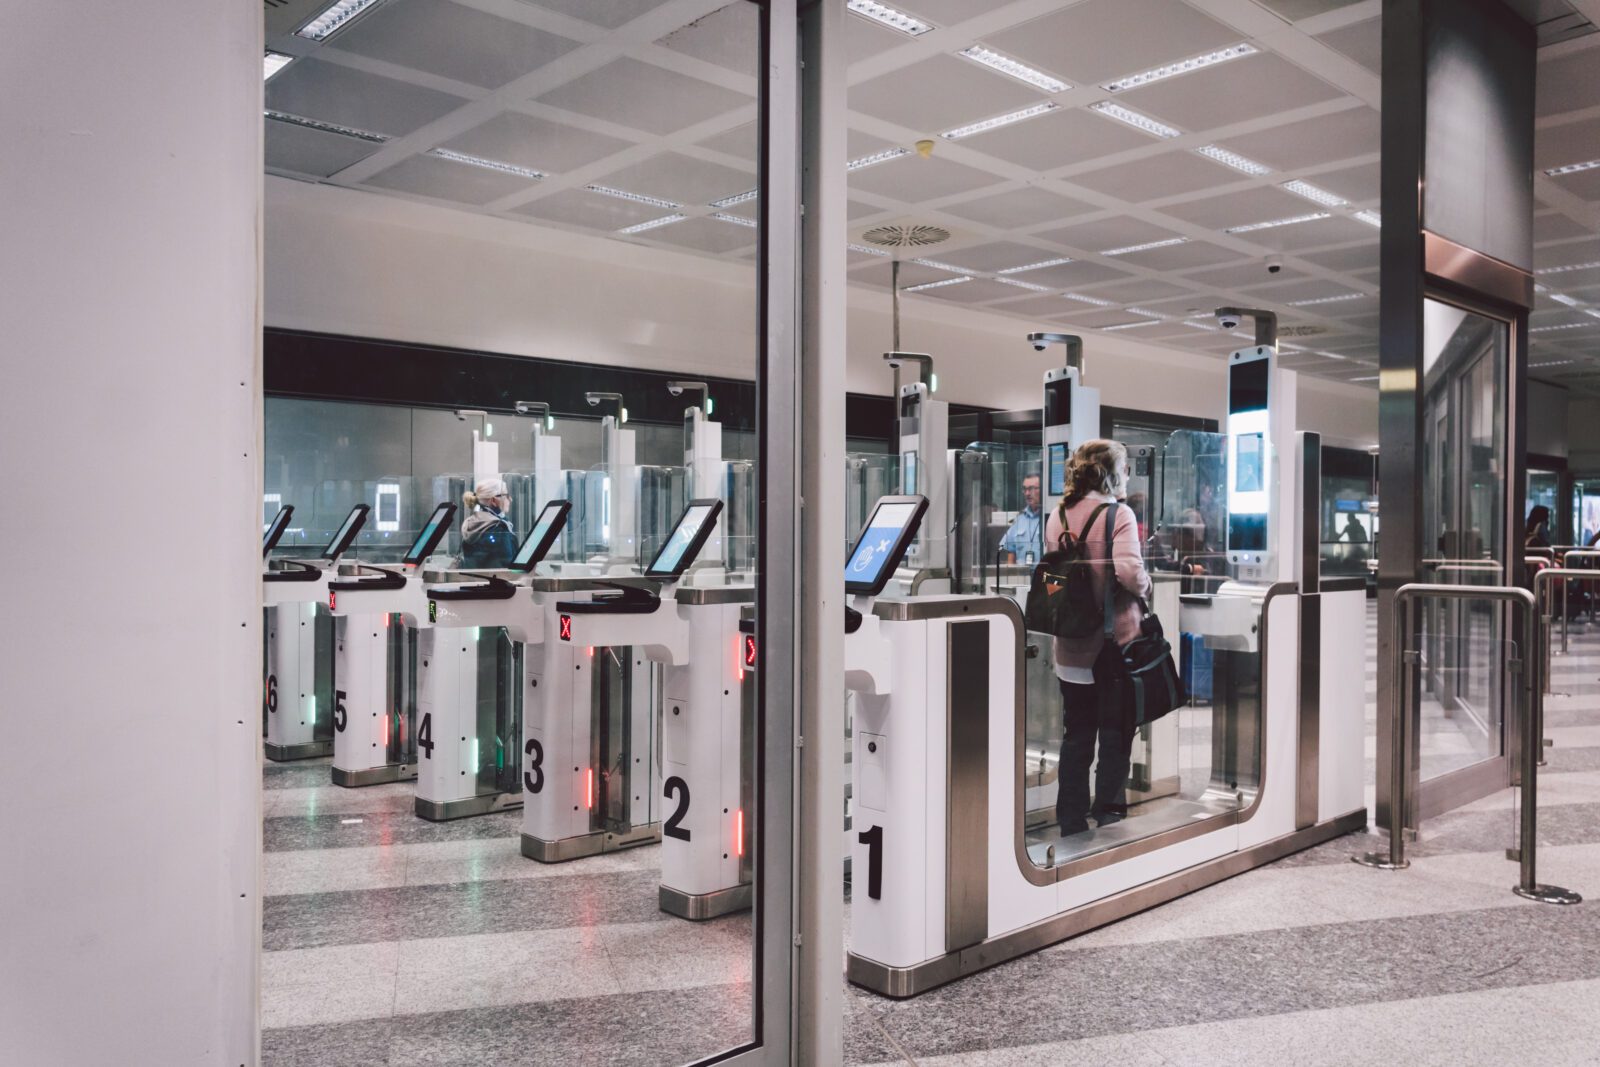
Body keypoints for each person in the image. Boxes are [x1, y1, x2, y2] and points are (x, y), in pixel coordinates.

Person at [1044, 439, 1152, 835]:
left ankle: (1071, 820)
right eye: (1124, 469)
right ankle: (1108, 814)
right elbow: (1127, 571)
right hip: (1111, 645)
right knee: (1115, 733)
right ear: (1109, 473)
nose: (1127, 475)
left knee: (1077, 735)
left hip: (1070, 645)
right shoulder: (1117, 514)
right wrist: (1146, 584)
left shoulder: (1057, 515)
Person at [460, 477, 516, 568]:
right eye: (506, 495)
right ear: (494, 500)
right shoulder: (498, 528)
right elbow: (509, 565)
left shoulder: (471, 522)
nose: (510, 499)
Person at [999, 473, 1043, 563]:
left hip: (1043, 574)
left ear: (1042, 490)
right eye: (1024, 489)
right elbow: (1011, 553)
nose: (1027, 493)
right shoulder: (1019, 520)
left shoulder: (1049, 518)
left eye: (1031, 488)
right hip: (1022, 575)